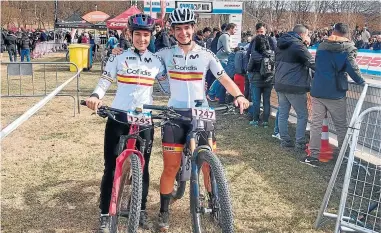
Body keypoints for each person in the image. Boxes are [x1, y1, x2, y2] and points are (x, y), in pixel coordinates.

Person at [153, 8, 249, 232]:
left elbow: (224, 78)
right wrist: (120, 51)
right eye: (179, 28)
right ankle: (164, 212)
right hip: (174, 114)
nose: (183, 32)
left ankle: (215, 203)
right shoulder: (166, 54)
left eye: (187, 27)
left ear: (193, 29)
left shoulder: (206, 54)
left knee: (207, 164)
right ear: (173, 30)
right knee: (171, 167)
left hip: (201, 113)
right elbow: (143, 64)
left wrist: (239, 95)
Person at [85, 13, 166, 232]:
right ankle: (104, 213)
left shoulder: (157, 61)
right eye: (137, 34)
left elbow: (169, 85)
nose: (142, 39)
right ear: (129, 35)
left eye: (146, 35)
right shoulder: (118, 56)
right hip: (119, 116)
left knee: (145, 167)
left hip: (145, 119)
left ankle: (139, 210)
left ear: (151, 36)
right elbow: (105, 79)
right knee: (111, 167)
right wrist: (95, 95)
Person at [301, 23, 365, 167]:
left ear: (333, 31)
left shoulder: (322, 46)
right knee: (341, 126)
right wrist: (361, 81)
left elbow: (318, 64)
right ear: (346, 34)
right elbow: (353, 70)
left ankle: (313, 156)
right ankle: (345, 157)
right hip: (336, 93)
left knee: (316, 125)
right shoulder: (347, 49)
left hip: (318, 90)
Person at [274, 24, 315, 152]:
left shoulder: (281, 44)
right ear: (303, 34)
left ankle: (285, 140)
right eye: (307, 34)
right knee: (302, 115)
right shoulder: (298, 45)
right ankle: (300, 142)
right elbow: (311, 62)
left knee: (283, 113)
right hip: (295, 85)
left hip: (280, 83)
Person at [247, 35, 275, 128]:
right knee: (267, 101)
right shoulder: (272, 53)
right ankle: (265, 122)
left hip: (256, 80)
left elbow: (249, 68)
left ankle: (255, 120)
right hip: (269, 80)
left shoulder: (254, 54)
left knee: (256, 101)